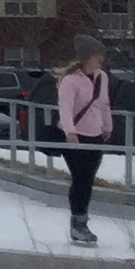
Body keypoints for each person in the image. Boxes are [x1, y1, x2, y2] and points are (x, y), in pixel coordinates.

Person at [54, 36, 114, 249]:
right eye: (98, 56)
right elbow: (66, 108)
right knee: (80, 178)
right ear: (88, 57)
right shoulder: (70, 80)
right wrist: (70, 132)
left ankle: (82, 219)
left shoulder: (101, 78)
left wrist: (108, 126)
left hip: (95, 134)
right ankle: (78, 222)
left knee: (88, 179)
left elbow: (104, 104)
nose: (102, 60)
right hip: (75, 134)